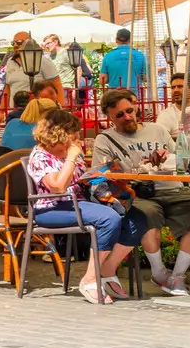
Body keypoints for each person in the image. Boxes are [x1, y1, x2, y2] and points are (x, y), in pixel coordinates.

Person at [88, 89, 190, 297]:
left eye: (129, 111)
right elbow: (101, 173)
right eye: (119, 115)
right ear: (109, 117)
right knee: (146, 214)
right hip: (138, 192)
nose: (127, 117)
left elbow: (181, 158)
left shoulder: (158, 130)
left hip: (171, 188)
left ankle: (177, 275)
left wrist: (167, 155)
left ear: (135, 107)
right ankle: (159, 272)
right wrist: (135, 168)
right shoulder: (105, 140)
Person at [25, 107, 136, 304]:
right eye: (72, 132)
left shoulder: (67, 152)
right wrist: (71, 158)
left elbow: (81, 180)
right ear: (58, 133)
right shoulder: (40, 156)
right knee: (108, 218)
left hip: (80, 203)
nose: (77, 136)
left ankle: (107, 270)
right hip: (51, 208)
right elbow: (58, 186)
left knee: (136, 218)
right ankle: (90, 279)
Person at [3, 32, 65, 103]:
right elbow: (7, 89)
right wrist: (1, 111)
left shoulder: (43, 61)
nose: (15, 45)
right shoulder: (10, 62)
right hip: (16, 111)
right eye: (13, 43)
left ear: (28, 44)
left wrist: (60, 109)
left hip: (37, 110)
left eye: (19, 42)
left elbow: (57, 87)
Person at [98, 29, 148, 99]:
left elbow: (102, 80)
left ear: (116, 40)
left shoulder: (108, 56)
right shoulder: (140, 55)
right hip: (134, 95)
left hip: (114, 95)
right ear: (131, 40)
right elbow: (146, 78)